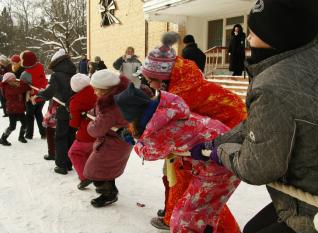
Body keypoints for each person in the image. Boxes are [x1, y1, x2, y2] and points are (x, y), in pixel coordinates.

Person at [193, 0, 318, 233]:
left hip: (310, 206)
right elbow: (263, 124)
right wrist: (220, 140)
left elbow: (257, 167)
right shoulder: (308, 58)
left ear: (277, 34)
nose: (248, 39)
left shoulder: (273, 86)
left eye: (253, 32)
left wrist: (219, 152)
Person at [141, 32, 246, 232]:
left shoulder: (181, 95)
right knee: (195, 190)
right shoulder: (178, 85)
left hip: (229, 133)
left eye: (150, 81)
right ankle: (174, 216)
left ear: (163, 78)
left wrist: (141, 139)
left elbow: (165, 132)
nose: (148, 86)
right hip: (212, 132)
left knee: (204, 195)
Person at [114, 84, 240, 233]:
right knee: (202, 214)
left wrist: (135, 142)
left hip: (219, 162)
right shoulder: (167, 112)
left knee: (184, 219)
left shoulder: (159, 131)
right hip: (225, 152)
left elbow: (148, 153)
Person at [84, 69, 131, 207]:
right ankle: (108, 190)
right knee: (106, 167)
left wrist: (90, 125)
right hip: (119, 141)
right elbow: (99, 111)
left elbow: (97, 129)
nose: (94, 92)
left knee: (94, 170)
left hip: (112, 143)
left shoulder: (110, 108)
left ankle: (109, 194)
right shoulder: (116, 97)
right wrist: (91, 113)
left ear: (105, 90)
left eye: (96, 90)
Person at [36, 48, 76, 175]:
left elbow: (48, 94)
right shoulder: (74, 73)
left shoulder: (56, 75)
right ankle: (69, 163)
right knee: (70, 136)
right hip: (73, 109)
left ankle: (61, 165)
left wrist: (41, 93)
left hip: (62, 109)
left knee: (60, 137)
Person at [67, 73, 97, 190]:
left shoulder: (75, 100)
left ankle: (85, 177)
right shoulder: (98, 91)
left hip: (86, 134)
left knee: (74, 153)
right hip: (101, 131)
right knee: (91, 154)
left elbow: (74, 123)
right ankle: (95, 175)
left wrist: (72, 113)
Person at [20, 50, 48, 139]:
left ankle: (29, 134)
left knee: (29, 116)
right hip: (41, 96)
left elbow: (22, 87)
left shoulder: (25, 74)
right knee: (39, 114)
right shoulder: (40, 66)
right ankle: (44, 133)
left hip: (32, 98)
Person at [0, 72, 31, 146]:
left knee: (25, 124)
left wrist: (25, 85)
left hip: (20, 109)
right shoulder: (6, 88)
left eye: (14, 79)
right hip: (12, 110)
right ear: (7, 81)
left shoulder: (17, 85)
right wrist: (24, 86)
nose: (15, 81)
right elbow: (18, 91)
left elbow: (25, 88)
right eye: (12, 80)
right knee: (12, 126)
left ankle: (21, 137)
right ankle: (3, 139)